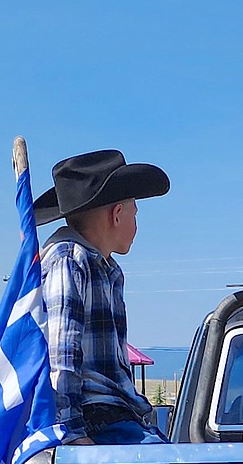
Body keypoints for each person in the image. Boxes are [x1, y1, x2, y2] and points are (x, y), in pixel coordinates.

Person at [35, 149, 171, 446]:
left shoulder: (105, 269)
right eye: (135, 213)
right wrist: (72, 433)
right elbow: (62, 354)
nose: (137, 225)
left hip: (116, 413)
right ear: (117, 214)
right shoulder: (69, 260)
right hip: (95, 416)